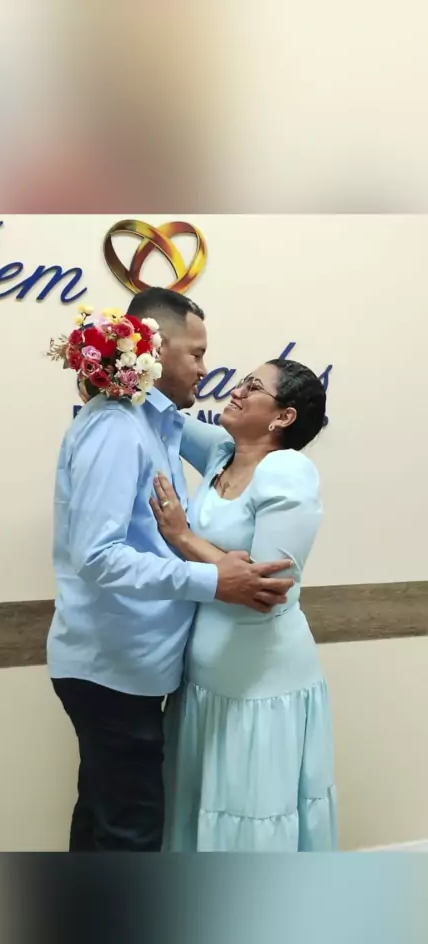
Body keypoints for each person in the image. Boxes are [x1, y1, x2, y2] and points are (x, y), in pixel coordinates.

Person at [47, 289, 294, 851]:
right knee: (129, 834)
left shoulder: (155, 426)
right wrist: (215, 580)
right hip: (111, 668)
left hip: (127, 667)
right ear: (154, 350)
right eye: (197, 354)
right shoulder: (117, 427)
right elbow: (97, 556)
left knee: (105, 820)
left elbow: (235, 455)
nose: (206, 370)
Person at [151, 358, 337, 851]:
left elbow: (266, 590)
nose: (236, 390)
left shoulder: (288, 470)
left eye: (253, 386)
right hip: (203, 679)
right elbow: (162, 412)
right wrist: (117, 356)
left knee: (250, 821)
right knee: (197, 808)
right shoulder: (222, 452)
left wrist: (184, 537)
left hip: (259, 682)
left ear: (283, 417)